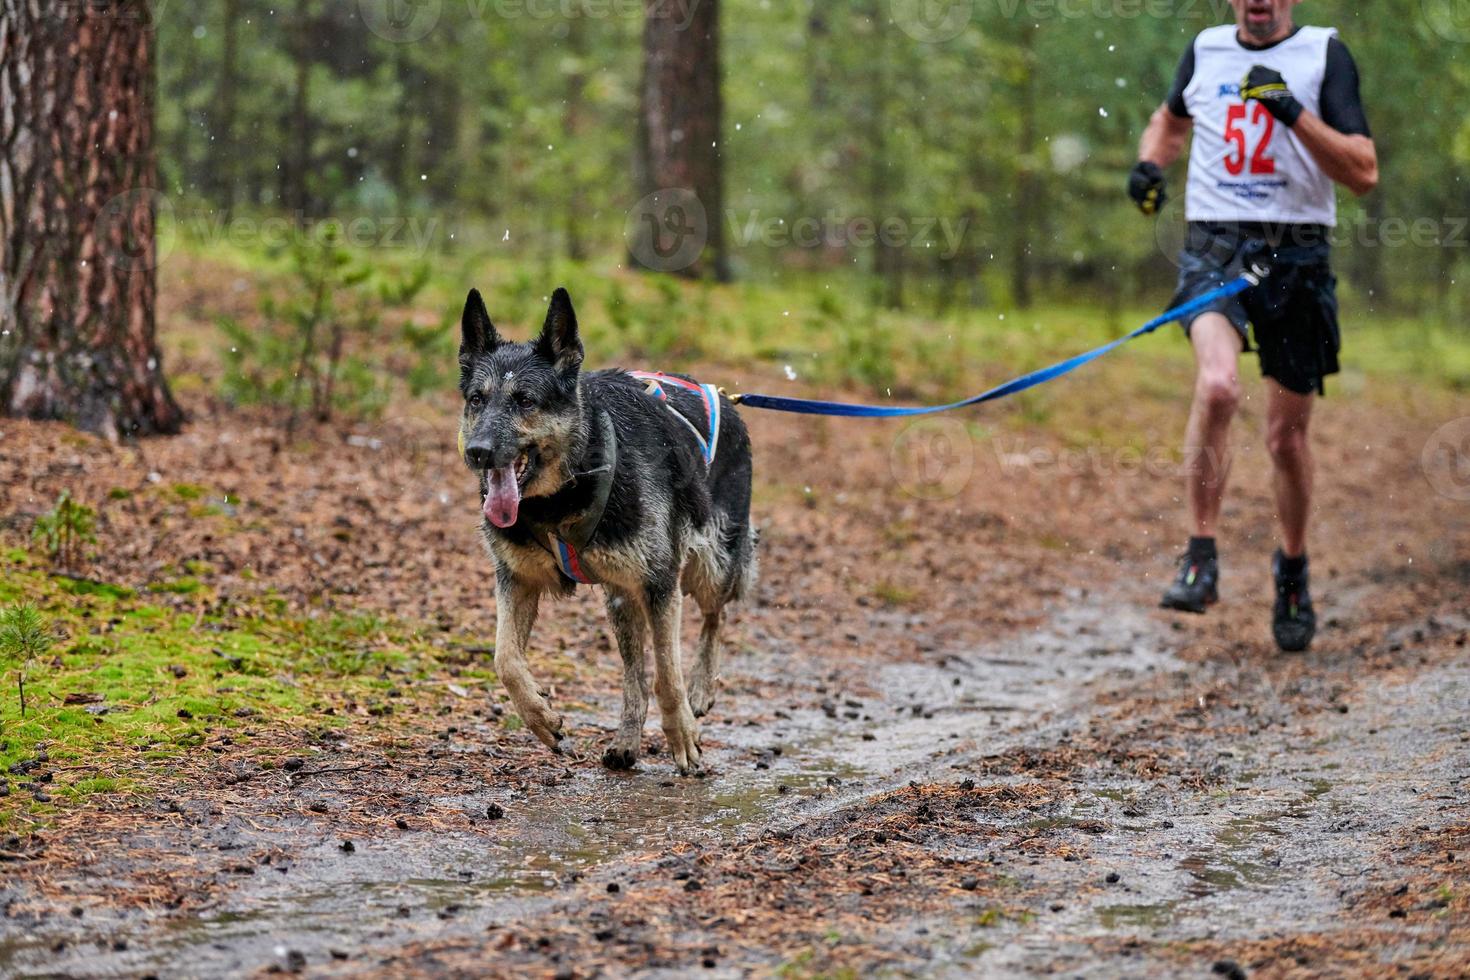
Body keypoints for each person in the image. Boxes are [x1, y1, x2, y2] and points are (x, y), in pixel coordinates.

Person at [1128, 0, 1377, 651]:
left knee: (1285, 441)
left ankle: (1291, 569)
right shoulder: (1206, 49)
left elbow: (1362, 172)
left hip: (1298, 256)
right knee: (1217, 388)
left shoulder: (1324, 54)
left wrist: (1292, 111)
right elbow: (1169, 120)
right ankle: (1200, 555)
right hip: (1215, 248)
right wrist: (1151, 165)